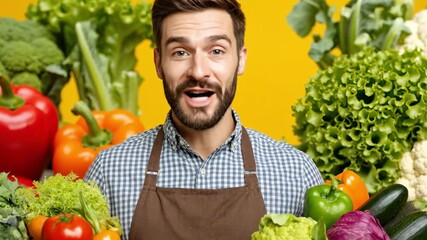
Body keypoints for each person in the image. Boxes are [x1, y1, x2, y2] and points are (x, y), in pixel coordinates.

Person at [84, 0, 324, 239]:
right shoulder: (109, 173)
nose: (198, 71)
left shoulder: (296, 174)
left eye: (216, 51)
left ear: (240, 59)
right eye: (180, 52)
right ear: (158, 63)